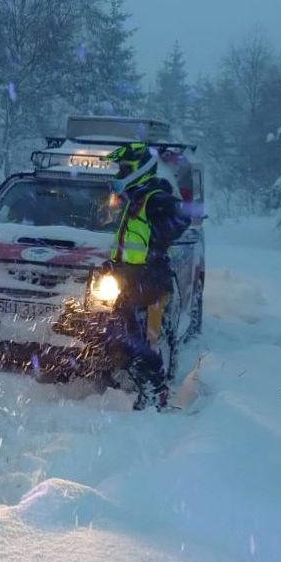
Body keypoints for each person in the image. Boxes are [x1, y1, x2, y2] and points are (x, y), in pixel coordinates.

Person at [102, 142, 191, 411]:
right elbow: (131, 242)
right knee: (127, 339)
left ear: (139, 170)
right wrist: (114, 263)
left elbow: (183, 216)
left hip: (148, 282)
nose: (118, 174)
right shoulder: (136, 199)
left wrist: (157, 244)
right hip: (133, 280)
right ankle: (152, 391)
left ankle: (154, 394)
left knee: (140, 343)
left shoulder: (154, 198)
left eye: (123, 169)